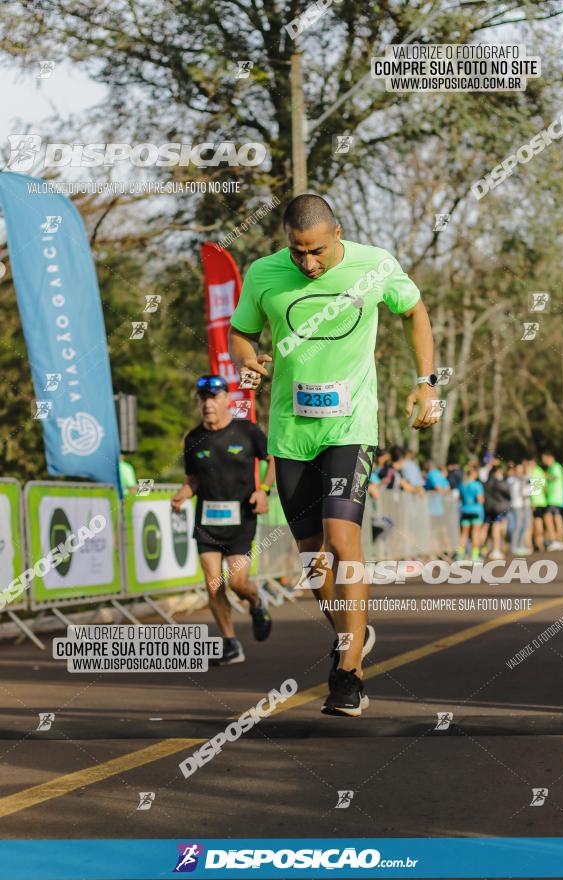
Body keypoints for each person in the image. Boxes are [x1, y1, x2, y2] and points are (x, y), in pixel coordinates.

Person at [228, 193, 438, 716]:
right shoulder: (263, 274)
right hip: (292, 432)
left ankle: (349, 673)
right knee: (311, 557)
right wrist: (248, 360)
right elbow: (239, 333)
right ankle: (353, 632)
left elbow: (414, 311)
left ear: (337, 233)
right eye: (298, 253)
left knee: (344, 538)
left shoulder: (375, 264)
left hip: (351, 425)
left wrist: (426, 382)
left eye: (317, 252)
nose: (308, 263)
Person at [171, 374, 276, 664]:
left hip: (241, 519)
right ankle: (230, 642)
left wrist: (264, 490)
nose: (208, 403)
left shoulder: (248, 432)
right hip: (207, 522)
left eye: (214, 397)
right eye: (203, 398)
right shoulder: (193, 438)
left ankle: (256, 601)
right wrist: (183, 493)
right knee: (214, 583)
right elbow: (192, 479)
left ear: (226, 399)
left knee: (238, 583)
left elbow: (273, 460)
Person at [482, 463, 511, 559]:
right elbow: (507, 491)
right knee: (498, 527)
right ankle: (496, 549)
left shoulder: (486, 482)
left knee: (486, 528)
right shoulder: (498, 482)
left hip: (488, 508)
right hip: (499, 508)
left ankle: (481, 549)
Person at [457, 464, 485, 561]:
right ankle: (475, 555)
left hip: (465, 511)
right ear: (474, 473)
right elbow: (480, 499)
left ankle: (460, 555)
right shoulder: (477, 485)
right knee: (475, 533)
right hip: (476, 511)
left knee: (464, 534)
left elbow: (460, 498)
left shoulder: (462, 484)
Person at [541, 451, 563, 551]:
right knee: (556, 518)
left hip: (554, 498)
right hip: (555, 498)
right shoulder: (554, 467)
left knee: (550, 518)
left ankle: (556, 541)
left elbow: (554, 477)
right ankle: (558, 541)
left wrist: (544, 476)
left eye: (544, 459)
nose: (543, 461)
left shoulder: (555, 466)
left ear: (549, 457)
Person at [507, 463, 532, 555]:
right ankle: (514, 547)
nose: (520, 471)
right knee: (518, 526)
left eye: (521, 469)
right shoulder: (512, 480)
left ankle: (521, 545)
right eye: (518, 469)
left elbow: (530, 490)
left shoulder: (525, 478)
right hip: (517, 505)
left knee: (525, 526)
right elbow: (519, 492)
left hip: (524, 504)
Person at [524, 455, 548, 553]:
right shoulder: (540, 471)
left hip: (534, 502)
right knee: (539, 523)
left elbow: (533, 490)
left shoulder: (532, 472)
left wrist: (533, 502)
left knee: (531, 525)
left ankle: (530, 546)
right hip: (542, 501)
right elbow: (545, 487)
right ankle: (540, 544)